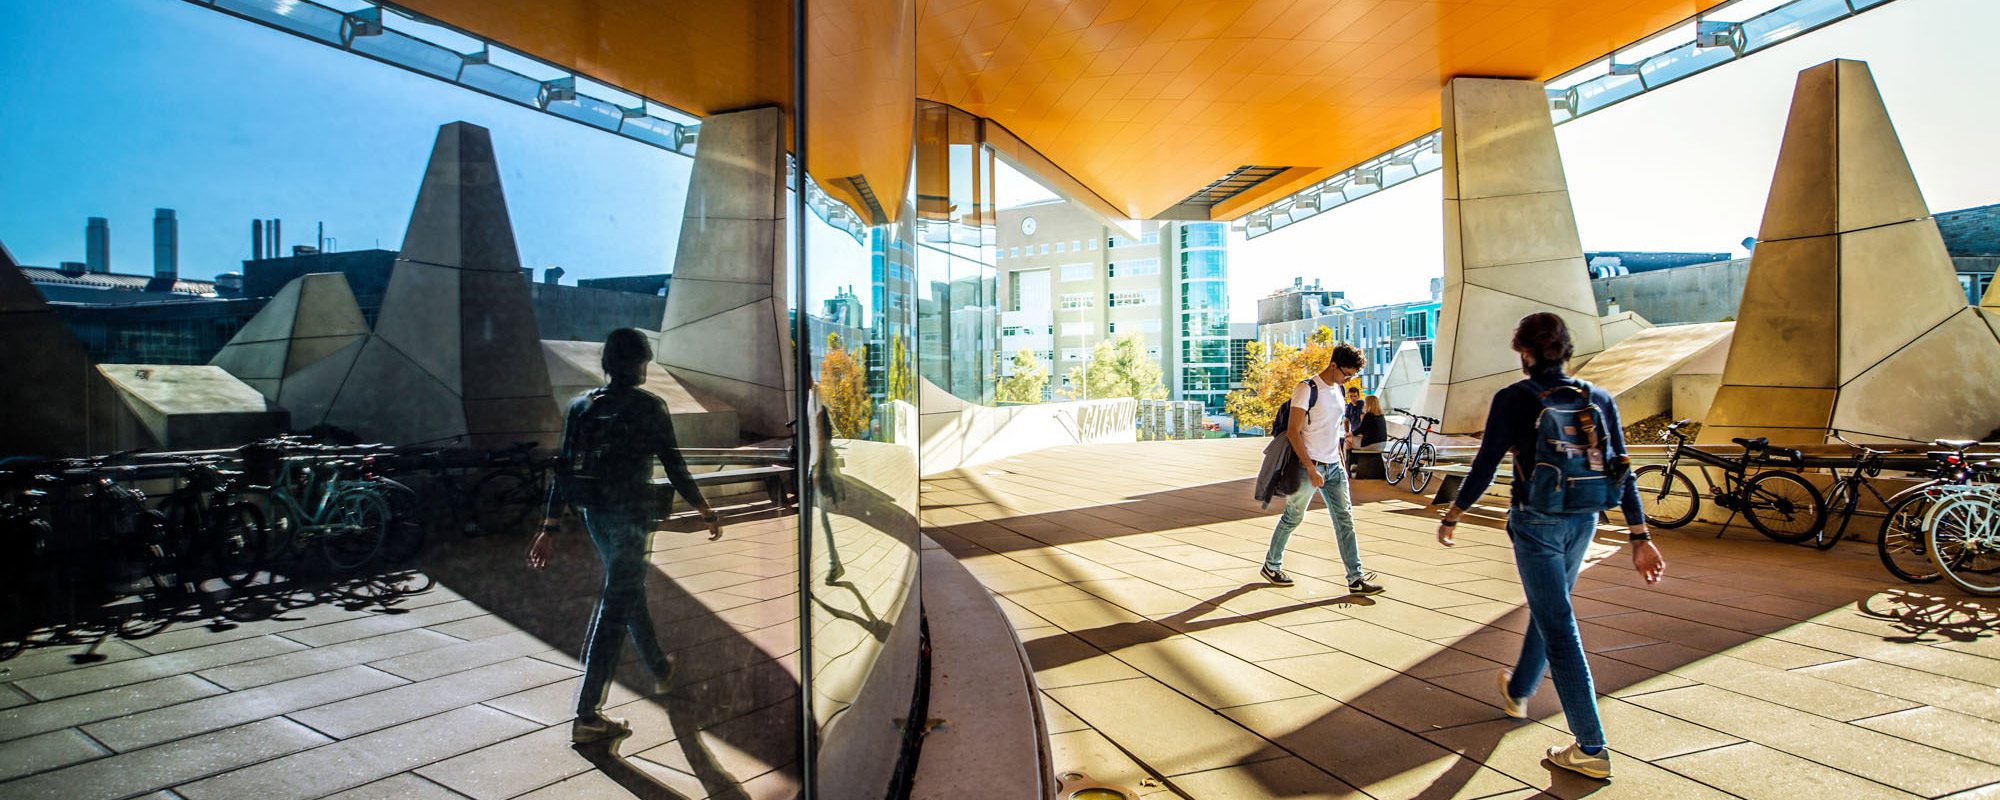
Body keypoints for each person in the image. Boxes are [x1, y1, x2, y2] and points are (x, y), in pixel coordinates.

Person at [1435, 312, 1665, 780]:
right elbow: (1622, 468)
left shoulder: (1514, 398)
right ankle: (1519, 689)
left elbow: (1485, 465)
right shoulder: (1596, 398)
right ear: (1566, 350)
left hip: (1536, 522)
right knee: (1552, 607)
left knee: (1560, 628)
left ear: (1524, 352)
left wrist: (1455, 513)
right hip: (1584, 518)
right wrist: (1640, 536)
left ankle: (1591, 748)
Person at [527, 328, 723, 745]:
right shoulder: (650, 407)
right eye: (645, 361)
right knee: (615, 605)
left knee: (627, 589)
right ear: (638, 364)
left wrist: (550, 525)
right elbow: (673, 464)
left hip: (595, 514)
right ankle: (587, 714)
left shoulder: (582, 406)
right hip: (632, 515)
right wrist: (703, 507)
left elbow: (564, 468)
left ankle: (659, 667)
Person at [1261, 343, 1384, 595]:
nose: (1349, 379)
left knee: (1344, 519)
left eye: (1353, 376)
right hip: (1309, 466)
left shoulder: (1338, 390)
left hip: (1334, 466)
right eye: (1346, 374)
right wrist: (1310, 467)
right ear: (1333, 365)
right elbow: (1294, 433)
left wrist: (1340, 463)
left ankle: (1355, 578)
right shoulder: (1306, 389)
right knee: (1293, 518)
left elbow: (1334, 430)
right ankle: (1271, 565)